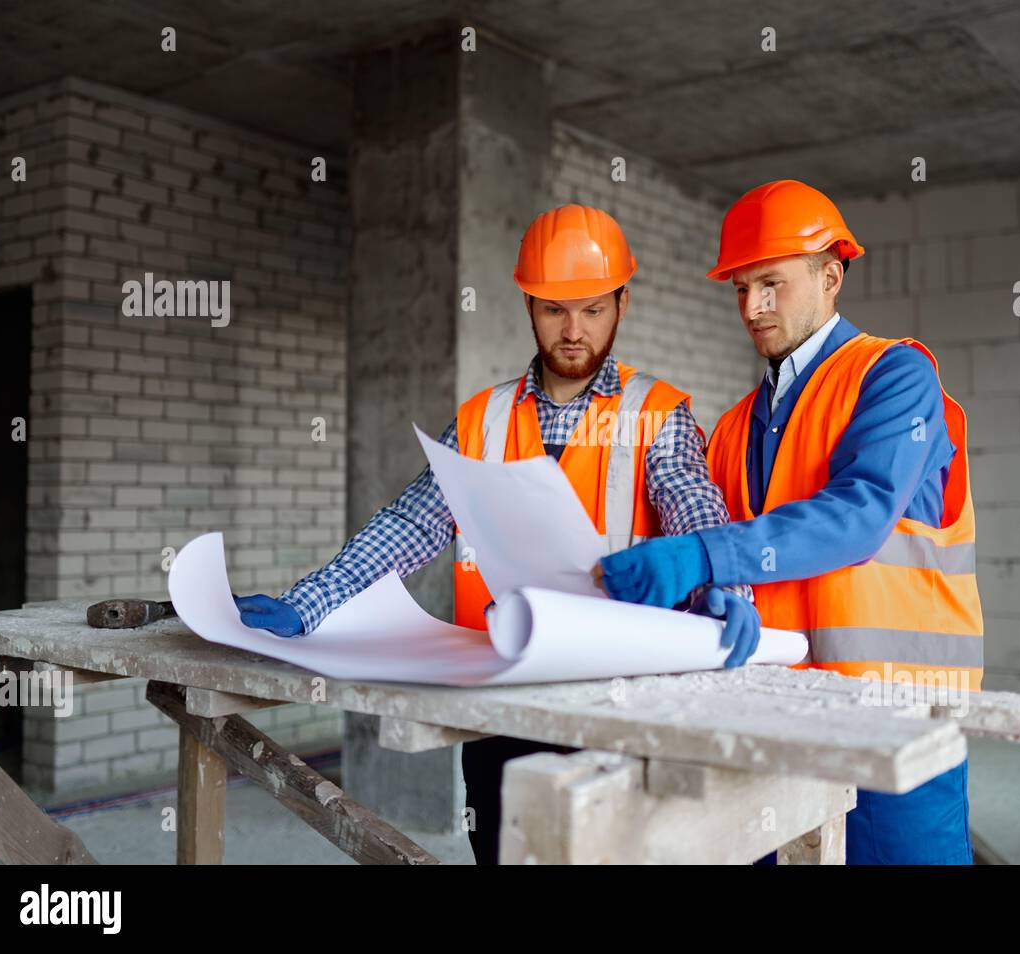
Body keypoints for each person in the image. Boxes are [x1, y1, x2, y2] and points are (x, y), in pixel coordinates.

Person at [234, 203, 761, 864]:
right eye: (553, 309)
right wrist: (309, 602)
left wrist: (727, 580)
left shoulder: (656, 412)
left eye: (593, 309)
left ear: (623, 304)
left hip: (620, 701)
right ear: (527, 305)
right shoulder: (483, 418)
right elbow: (412, 523)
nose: (573, 330)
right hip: (500, 692)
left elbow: (693, 504)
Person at [597, 180, 983, 865]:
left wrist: (703, 557)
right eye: (740, 288)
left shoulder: (894, 375)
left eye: (770, 283)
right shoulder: (734, 426)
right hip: (773, 718)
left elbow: (859, 514)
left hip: (894, 716)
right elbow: (744, 556)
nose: (753, 307)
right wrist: (711, 595)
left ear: (831, 276)